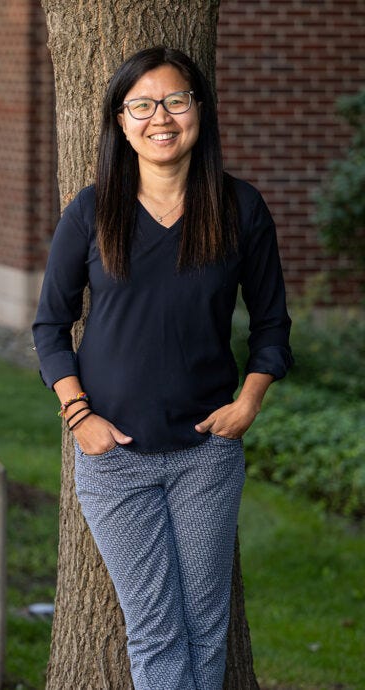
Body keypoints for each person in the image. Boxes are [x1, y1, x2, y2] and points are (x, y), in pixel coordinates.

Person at [31, 46, 293, 689]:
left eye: (176, 101)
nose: (161, 118)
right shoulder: (92, 212)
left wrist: (249, 402)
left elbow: (271, 325)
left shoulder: (239, 208)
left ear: (199, 110)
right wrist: (79, 416)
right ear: (121, 122)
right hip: (114, 457)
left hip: (206, 454)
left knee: (206, 625)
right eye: (142, 105)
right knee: (155, 630)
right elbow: (48, 326)